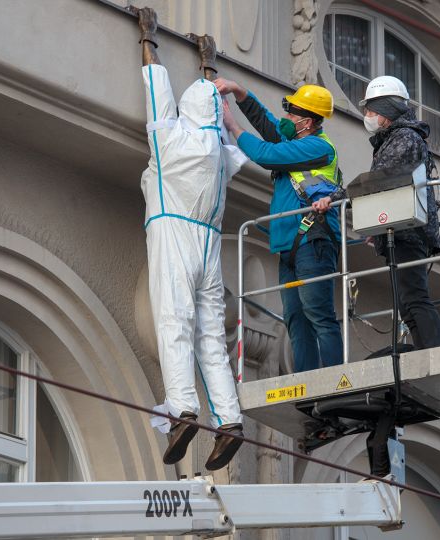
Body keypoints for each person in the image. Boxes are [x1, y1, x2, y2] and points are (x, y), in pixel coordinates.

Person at [136, 7, 248, 471]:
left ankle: (183, 410)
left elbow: (155, 84)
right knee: (210, 339)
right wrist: (209, 65)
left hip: (174, 232)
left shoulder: (171, 139)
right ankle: (230, 420)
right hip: (209, 246)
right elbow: (217, 119)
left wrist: (148, 36)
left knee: (173, 321)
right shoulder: (220, 154)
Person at [215, 77, 344, 373]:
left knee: (317, 314)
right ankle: (307, 384)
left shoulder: (316, 147)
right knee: (296, 319)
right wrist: (239, 90)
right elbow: (267, 123)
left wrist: (232, 125)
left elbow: (266, 155)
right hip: (292, 246)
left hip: (314, 241)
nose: (287, 118)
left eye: (293, 114)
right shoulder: (298, 142)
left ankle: (336, 381)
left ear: (308, 122)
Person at [314, 75, 440, 352]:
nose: (368, 116)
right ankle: (427, 352)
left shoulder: (404, 138)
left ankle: (434, 354)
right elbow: (389, 187)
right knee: (406, 302)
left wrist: (336, 198)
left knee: (414, 296)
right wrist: (377, 229)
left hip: (409, 232)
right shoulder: (397, 138)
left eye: (371, 111)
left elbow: (380, 181)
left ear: (387, 111)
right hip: (401, 231)